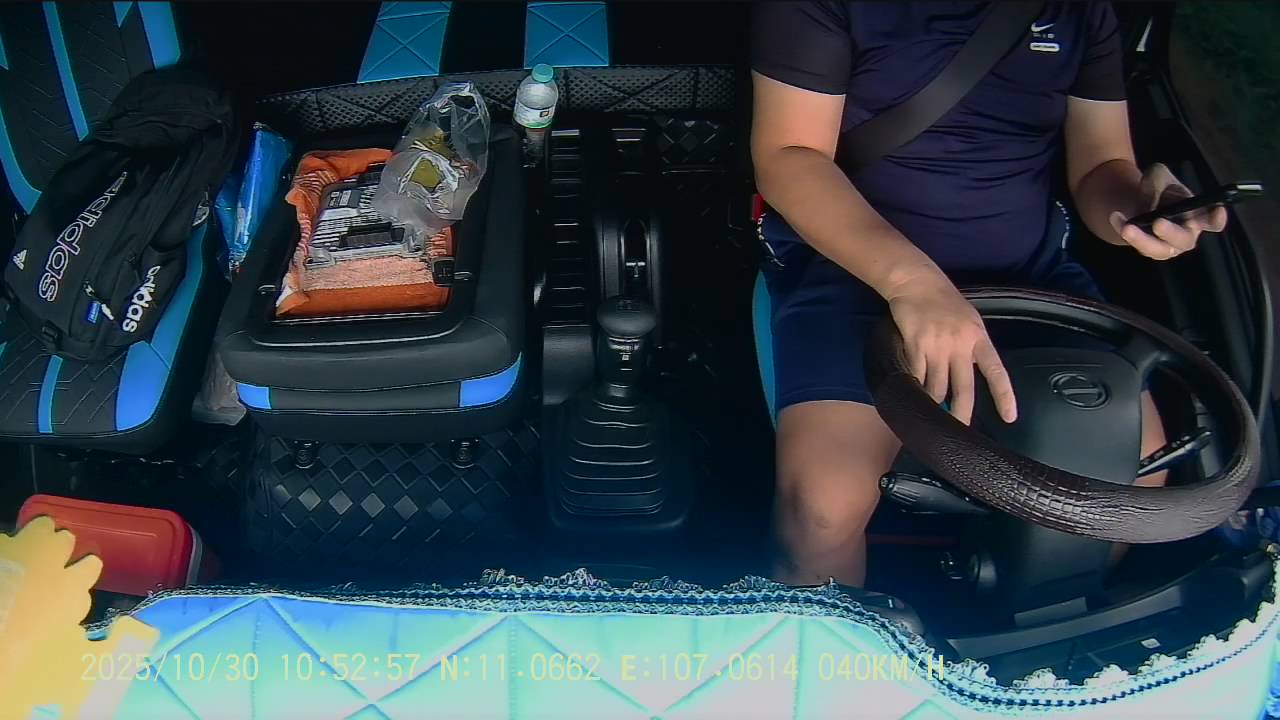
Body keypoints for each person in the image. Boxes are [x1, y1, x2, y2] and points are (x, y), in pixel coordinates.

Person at [751, 1, 1229, 587]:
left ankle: (1043, 634)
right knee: (819, 513)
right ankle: (837, 643)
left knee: (1130, 488)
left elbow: (1101, 166)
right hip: (854, 269)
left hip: (1029, 276)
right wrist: (912, 282)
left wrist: (1140, 209)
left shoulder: (1082, 12)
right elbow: (789, 157)